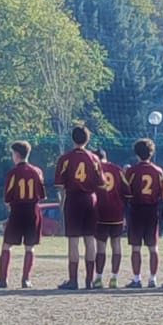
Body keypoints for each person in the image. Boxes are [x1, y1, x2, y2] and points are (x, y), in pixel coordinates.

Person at [54, 124, 102, 290]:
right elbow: (101, 183)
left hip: (73, 199)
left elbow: (59, 185)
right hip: (90, 199)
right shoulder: (94, 159)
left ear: (72, 139)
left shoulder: (65, 159)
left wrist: (61, 202)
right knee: (90, 239)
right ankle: (89, 280)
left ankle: (73, 280)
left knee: (73, 241)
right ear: (88, 140)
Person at [0, 142, 46, 289]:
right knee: (30, 247)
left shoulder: (13, 173)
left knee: (7, 245)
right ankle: (26, 279)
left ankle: (3, 279)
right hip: (33, 211)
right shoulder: (37, 172)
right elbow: (41, 195)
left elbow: (8, 197)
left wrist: (11, 210)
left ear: (16, 154)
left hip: (17, 211)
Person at [123, 139, 163, 288]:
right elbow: (161, 191)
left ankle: (136, 279)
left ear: (136, 154)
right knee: (153, 247)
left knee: (136, 247)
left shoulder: (132, 171)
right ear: (151, 153)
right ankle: (153, 279)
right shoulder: (158, 171)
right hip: (152, 211)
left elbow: (127, 192)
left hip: (136, 210)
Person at [92, 152, 130, 289]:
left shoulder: (94, 168)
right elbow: (127, 191)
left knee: (100, 246)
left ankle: (98, 278)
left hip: (100, 211)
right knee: (116, 243)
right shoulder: (117, 169)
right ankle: (114, 278)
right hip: (116, 212)